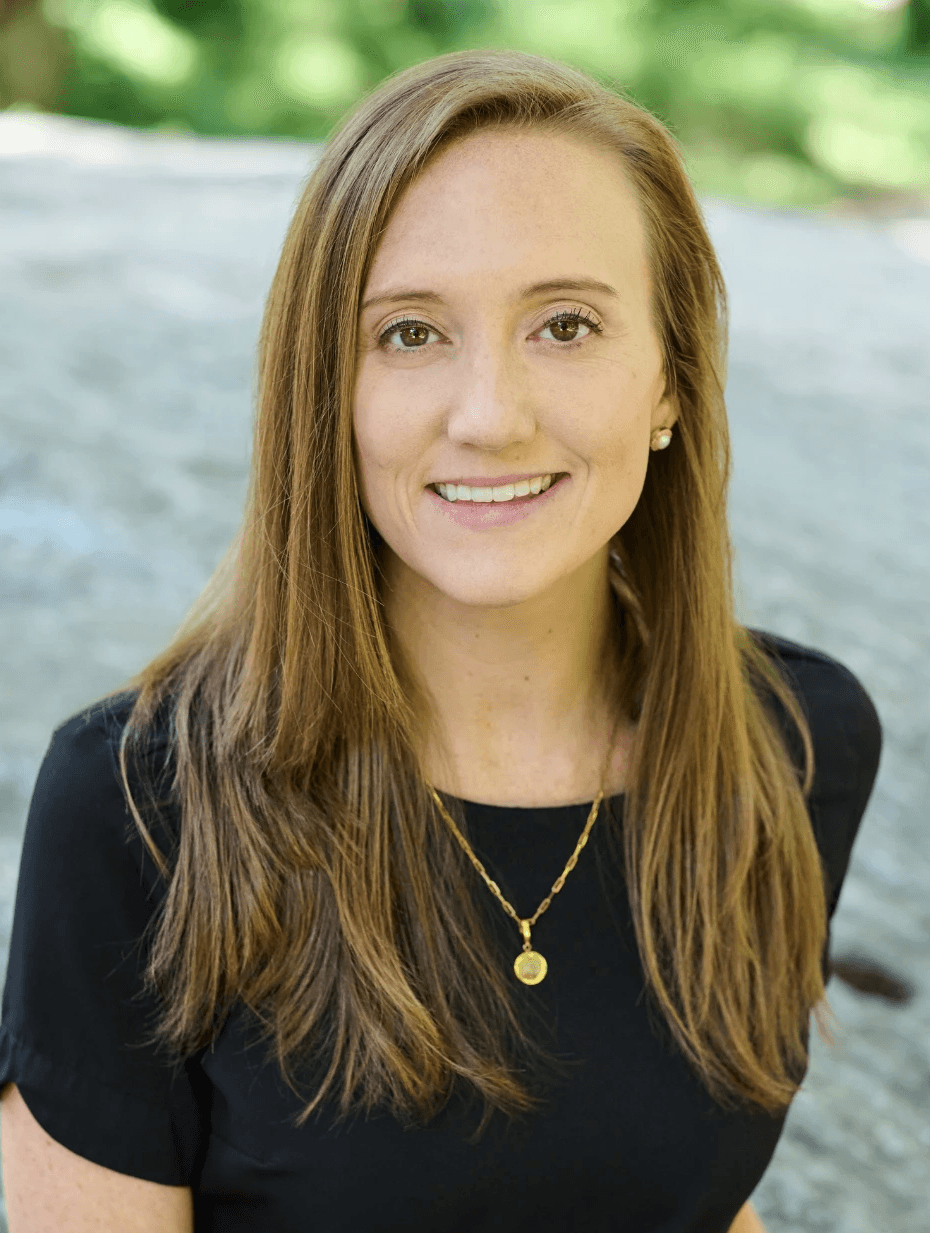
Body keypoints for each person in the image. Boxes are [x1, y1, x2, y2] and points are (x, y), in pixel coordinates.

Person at [0, 48, 881, 1233]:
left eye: (565, 325)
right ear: (328, 388)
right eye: (410, 334)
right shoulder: (135, 806)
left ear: (670, 378)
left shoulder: (797, 741)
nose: (489, 417)